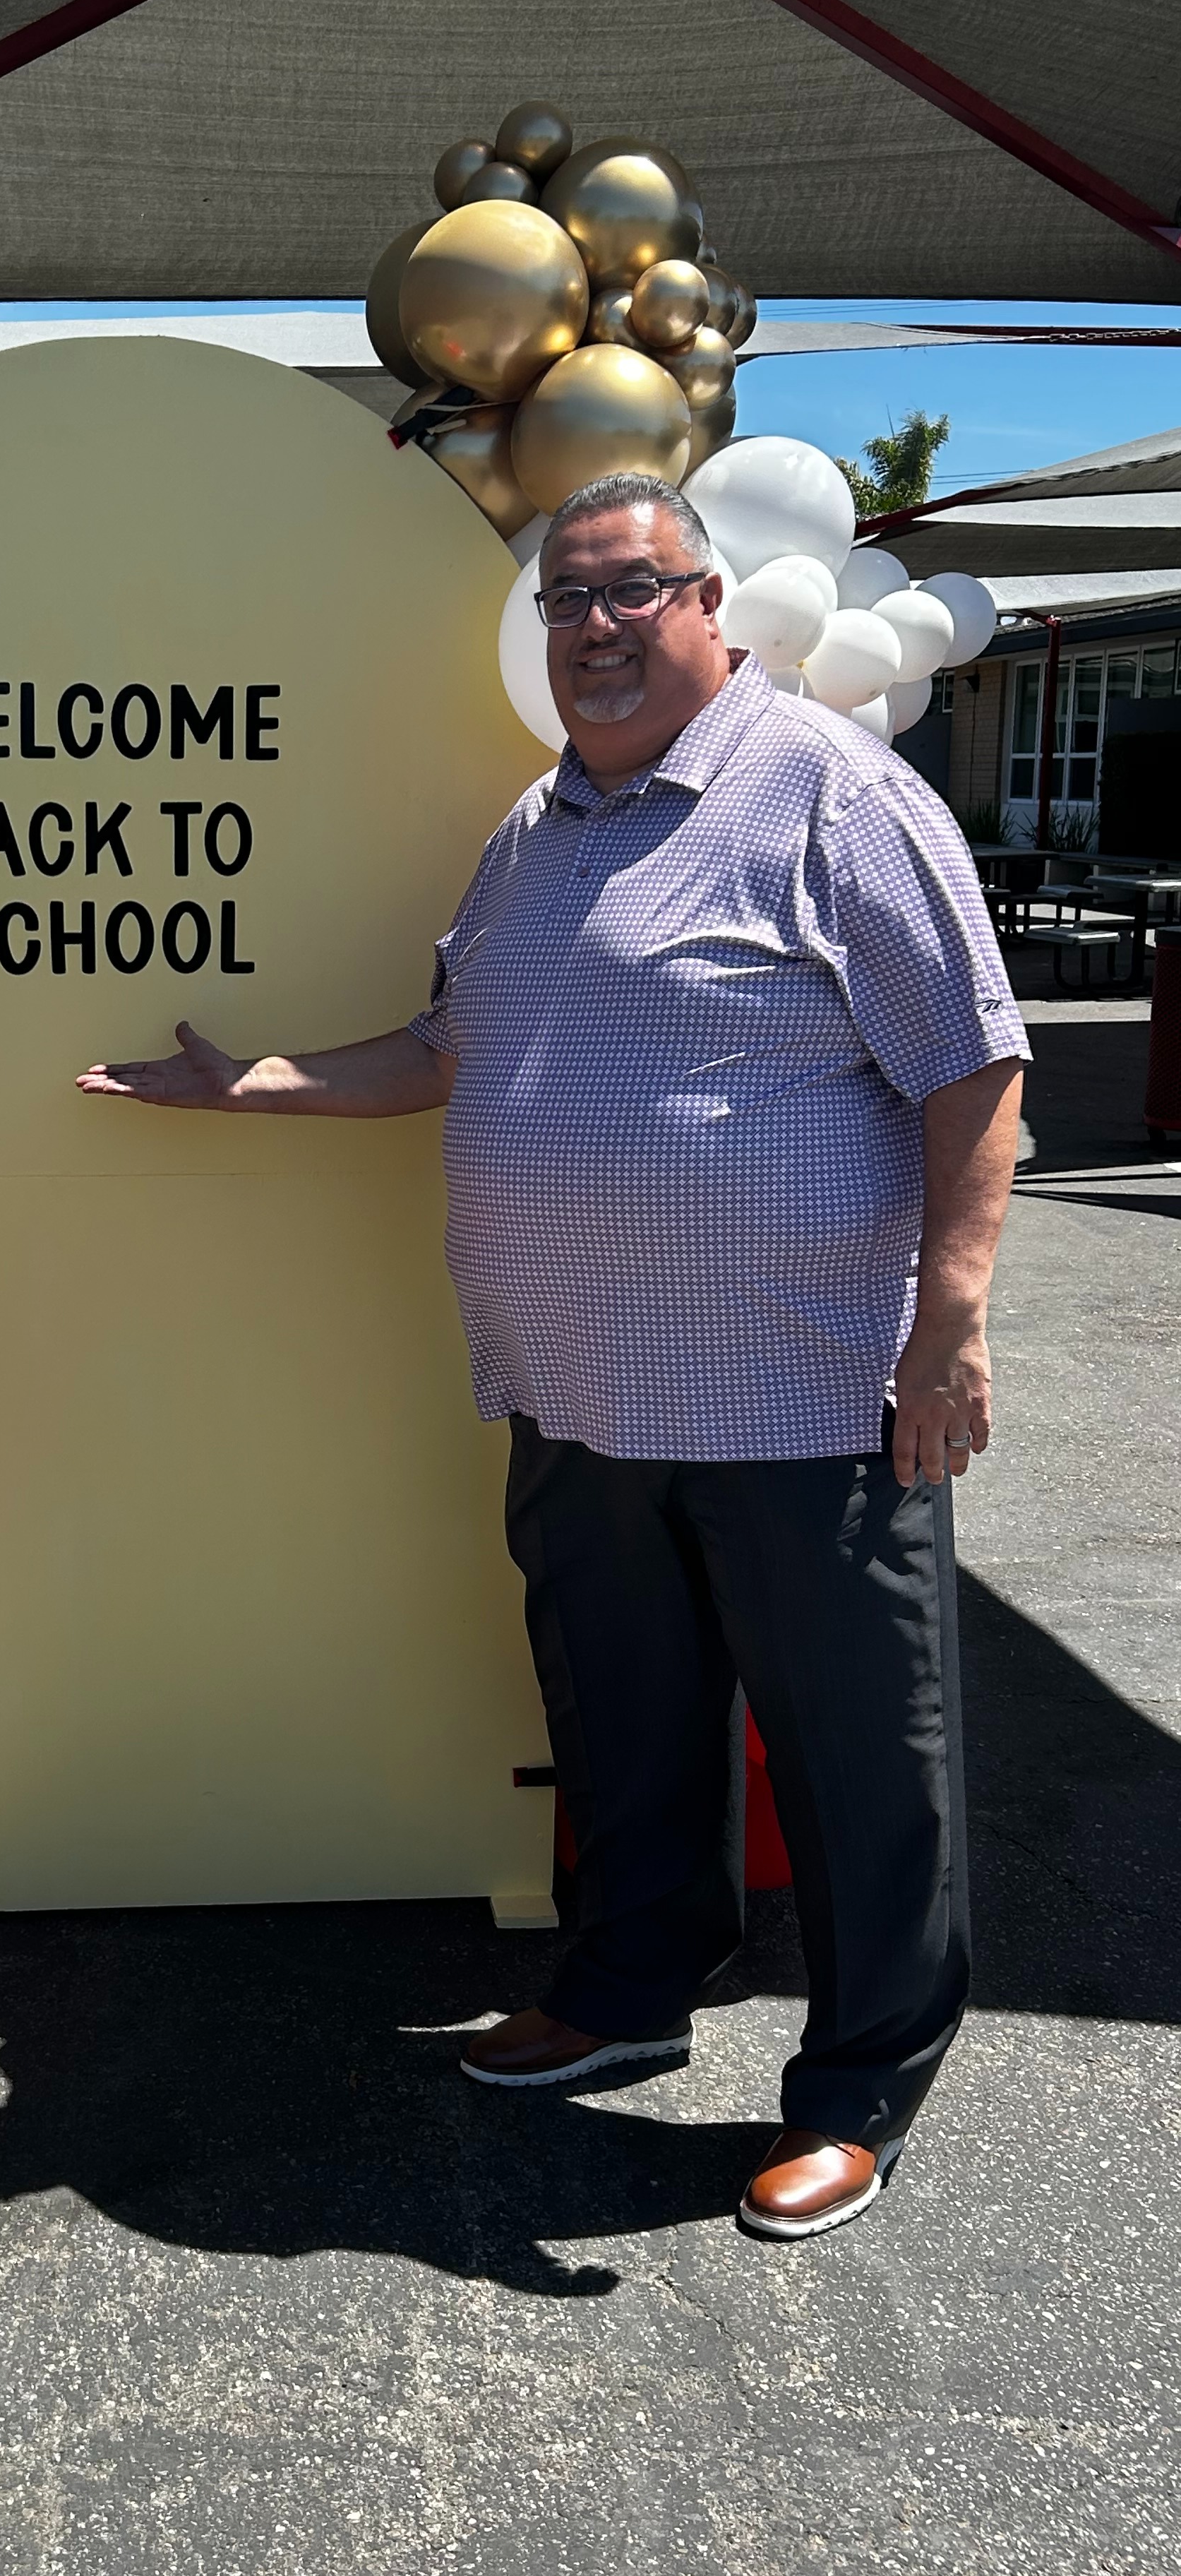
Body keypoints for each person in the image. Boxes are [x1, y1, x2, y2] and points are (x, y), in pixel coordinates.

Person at [78, 470, 1027, 2244]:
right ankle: (627, 1995)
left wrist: (950, 1326)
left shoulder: (829, 793)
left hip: (799, 1394)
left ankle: (859, 2089)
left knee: (856, 1760)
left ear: (711, 601)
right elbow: (456, 1043)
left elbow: (977, 1064)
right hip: (578, 1394)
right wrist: (255, 1083)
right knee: (628, 1732)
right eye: (565, 604)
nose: (591, 629)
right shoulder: (539, 827)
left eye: (628, 593)